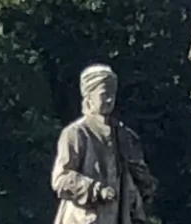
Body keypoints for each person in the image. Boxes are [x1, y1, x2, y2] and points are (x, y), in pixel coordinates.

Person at [50, 64, 157, 224]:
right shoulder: (76, 133)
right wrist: (95, 190)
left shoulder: (124, 135)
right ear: (89, 97)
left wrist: (145, 184)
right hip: (84, 219)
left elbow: (137, 176)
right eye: (103, 94)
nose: (109, 99)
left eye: (112, 95)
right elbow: (61, 178)